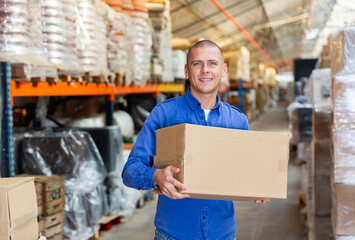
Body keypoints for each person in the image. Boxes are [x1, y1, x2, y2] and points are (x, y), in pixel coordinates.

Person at [122, 40, 268, 240]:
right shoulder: (164, 115)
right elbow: (130, 171)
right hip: (173, 235)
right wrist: (155, 176)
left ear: (223, 70)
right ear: (186, 70)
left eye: (212, 63)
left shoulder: (237, 121)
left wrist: (259, 186)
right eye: (197, 63)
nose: (205, 70)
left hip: (222, 234)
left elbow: (246, 171)